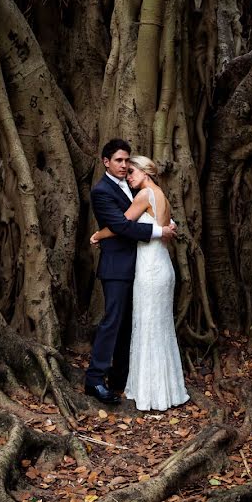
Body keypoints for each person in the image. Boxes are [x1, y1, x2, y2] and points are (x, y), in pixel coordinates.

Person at [90, 155, 189, 411]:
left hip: (150, 269)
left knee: (148, 326)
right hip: (161, 265)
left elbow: (121, 224)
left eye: (132, 171)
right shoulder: (161, 195)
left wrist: (98, 235)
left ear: (145, 172)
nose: (128, 175)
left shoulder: (144, 195)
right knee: (158, 326)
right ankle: (166, 388)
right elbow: (168, 226)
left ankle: (150, 391)